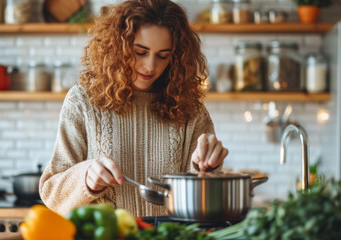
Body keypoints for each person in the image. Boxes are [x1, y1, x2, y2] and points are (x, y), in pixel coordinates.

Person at [39, 0, 229, 217]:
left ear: (175, 57)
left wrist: (210, 171)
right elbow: (51, 193)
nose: (150, 66)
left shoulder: (189, 108)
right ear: (118, 47)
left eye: (163, 55)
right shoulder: (82, 101)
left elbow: (207, 203)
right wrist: (87, 178)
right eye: (140, 52)